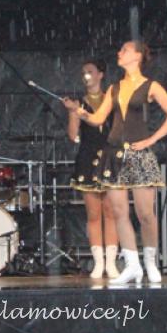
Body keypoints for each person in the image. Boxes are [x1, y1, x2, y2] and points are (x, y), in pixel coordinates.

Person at [65, 41, 167, 284]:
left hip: (138, 153)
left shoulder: (151, 86)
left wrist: (152, 139)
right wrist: (79, 112)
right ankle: (132, 265)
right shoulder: (114, 88)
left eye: (125, 50)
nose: (120, 53)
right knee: (119, 212)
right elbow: (98, 119)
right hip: (113, 153)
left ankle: (150, 262)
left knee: (145, 214)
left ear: (138, 56)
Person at [66, 59, 120, 279]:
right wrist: (74, 113)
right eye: (83, 73)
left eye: (90, 72)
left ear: (100, 74)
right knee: (94, 213)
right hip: (88, 158)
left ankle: (112, 263)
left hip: (110, 156)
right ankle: (98, 262)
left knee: (111, 212)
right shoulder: (78, 103)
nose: (86, 76)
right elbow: (73, 135)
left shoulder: (112, 99)